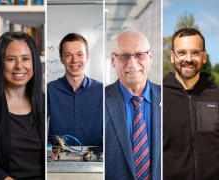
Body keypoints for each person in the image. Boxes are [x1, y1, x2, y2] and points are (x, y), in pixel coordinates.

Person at [163, 28, 219, 180]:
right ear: (172, 57)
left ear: (204, 57)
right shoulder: (157, 97)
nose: (188, 58)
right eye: (181, 53)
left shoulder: (216, 96)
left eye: (195, 52)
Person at [105, 31, 161, 180]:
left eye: (139, 55)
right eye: (124, 56)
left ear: (150, 57)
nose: (132, 63)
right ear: (112, 60)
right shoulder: (98, 101)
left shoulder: (170, 99)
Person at [0, 32, 45, 180]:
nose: (19, 66)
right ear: (0, 62)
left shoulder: (45, 102)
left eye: (26, 58)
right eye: (11, 59)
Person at [47, 33, 103, 146]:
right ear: (61, 59)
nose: (74, 60)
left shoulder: (101, 91)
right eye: (68, 55)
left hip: (93, 160)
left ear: (87, 57)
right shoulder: (49, 90)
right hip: (57, 160)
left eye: (79, 54)